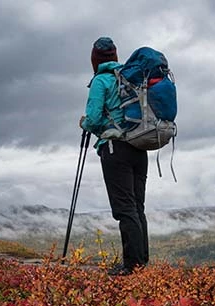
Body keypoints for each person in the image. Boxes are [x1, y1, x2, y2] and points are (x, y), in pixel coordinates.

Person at [79, 37, 149, 276]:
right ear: (116, 56)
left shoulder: (101, 80)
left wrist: (85, 123)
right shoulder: (130, 78)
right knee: (137, 207)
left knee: (125, 209)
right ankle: (141, 263)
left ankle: (131, 266)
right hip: (139, 146)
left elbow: (94, 118)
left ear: (95, 58)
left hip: (114, 149)